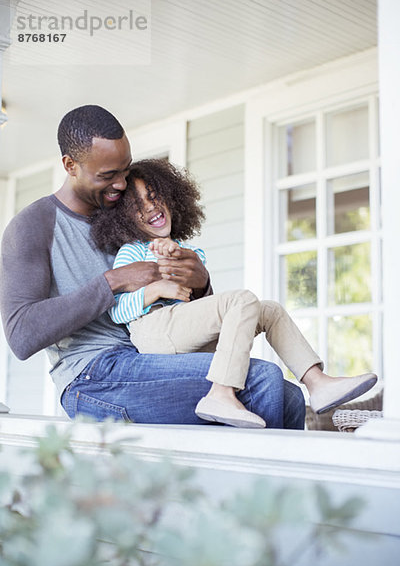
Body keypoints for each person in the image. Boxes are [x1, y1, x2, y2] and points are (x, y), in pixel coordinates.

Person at [0, 104, 307, 430]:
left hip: (150, 352)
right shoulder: (35, 225)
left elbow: (176, 315)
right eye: (107, 175)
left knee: (291, 396)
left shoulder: (122, 214)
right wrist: (113, 281)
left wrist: (200, 283)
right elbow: (21, 335)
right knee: (262, 379)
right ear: (70, 165)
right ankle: (256, 482)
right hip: (91, 377)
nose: (121, 184)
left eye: (125, 170)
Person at [90, 159, 377, 429]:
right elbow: (118, 312)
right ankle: (221, 393)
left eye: (154, 196)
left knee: (269, 310)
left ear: (170, 197)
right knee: (241, 299)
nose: (150, 208)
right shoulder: (132, 252)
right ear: (126, 221)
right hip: (154, 331)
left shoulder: (190, 253)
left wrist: (175, 256)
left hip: (184, 333)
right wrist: (154, 289)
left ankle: (317, 382)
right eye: (137, 206)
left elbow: (198, 300)